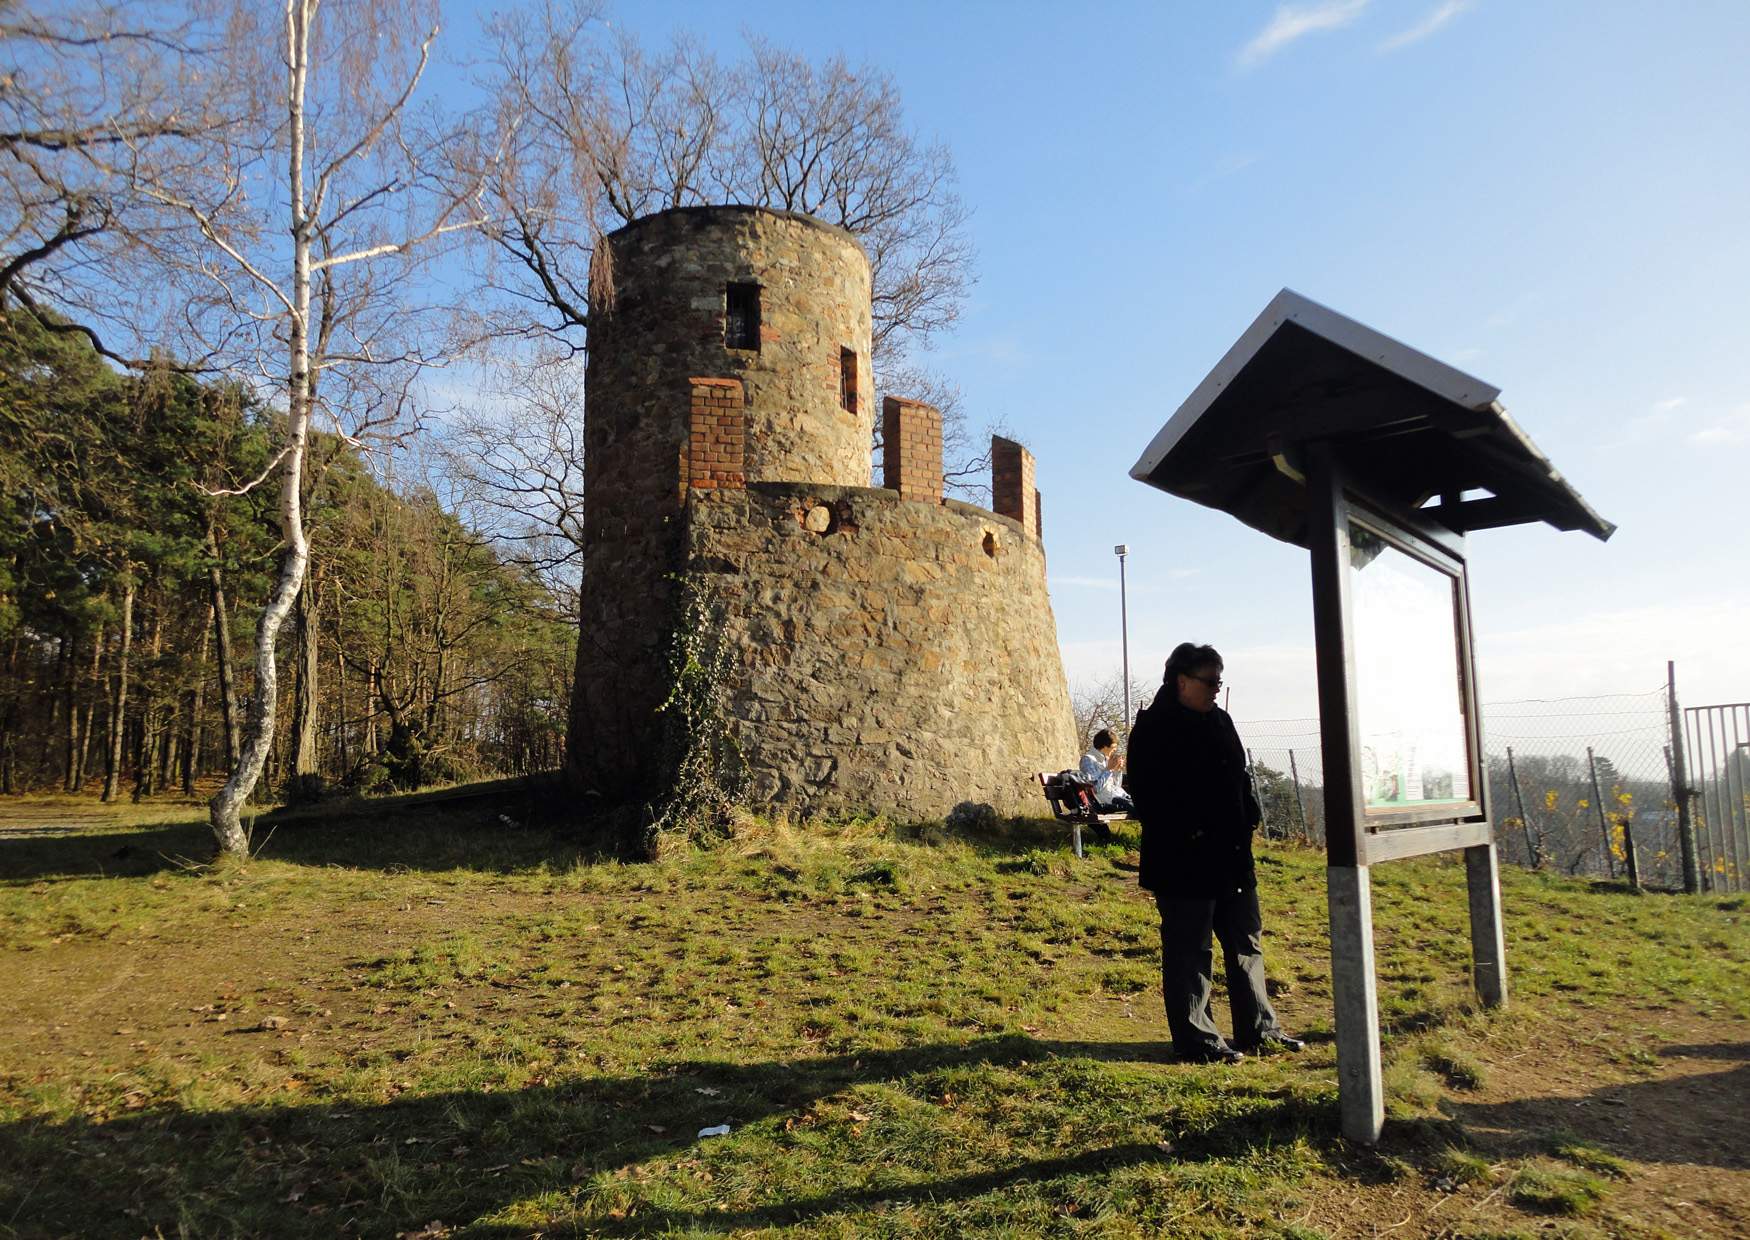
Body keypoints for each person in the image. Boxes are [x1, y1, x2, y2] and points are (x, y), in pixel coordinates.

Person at [1123, 642, 1303, 1064]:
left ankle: (1260, 1030)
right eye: (1210, 680)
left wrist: (1250, 815)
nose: (1216, 689)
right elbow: (1149, 798)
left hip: (1232, 858)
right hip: (1183, 863)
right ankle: (1197, 1040)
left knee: (1246, 943)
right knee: (1190, 951)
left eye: (1220, 680)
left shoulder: (1220, 720)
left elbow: (1239, 777)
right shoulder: (1154, 728)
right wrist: (1194, 832)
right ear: (1182, 680)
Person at [1078, 728, 1133, 812]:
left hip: (1119, 796)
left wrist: (1117, 771)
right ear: (1104, 746)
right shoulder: (1088, 760)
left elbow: (1116, 786)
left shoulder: (1106, 759)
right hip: (1107, 801)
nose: (1115, 750)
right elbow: (1094, 789)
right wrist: (1109, 769)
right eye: (1113, 747)